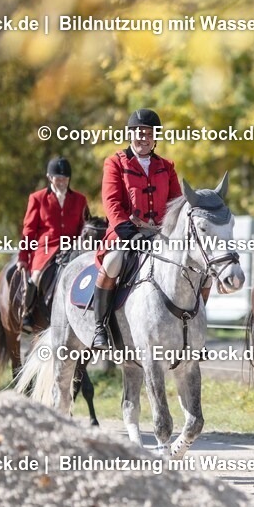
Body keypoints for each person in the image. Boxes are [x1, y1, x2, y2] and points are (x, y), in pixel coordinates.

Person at [92, 108, 181, 349]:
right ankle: (100, 325)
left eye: (148, 133)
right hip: (125, 233)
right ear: (130, 134)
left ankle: (190, 327)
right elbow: (111, 202)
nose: (143, 138)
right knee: (113, 263)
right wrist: (129, 234)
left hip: (160, 234)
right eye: (138, 133)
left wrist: (173, 232)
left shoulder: (167, 167)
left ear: (155, 137)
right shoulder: (115, 163)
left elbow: (176, 204)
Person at [17, 157, 90, 333]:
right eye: (58, 179)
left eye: (65, 179)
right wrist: (23, 257)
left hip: (73, 249)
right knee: (35, 278)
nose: (62, 182)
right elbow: (29, 230)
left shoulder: (80, 200)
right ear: (50, 178)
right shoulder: (38, 198)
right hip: (45, 251)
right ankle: (27, 312)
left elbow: (84, 227)